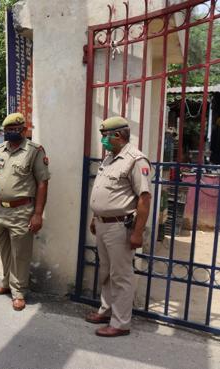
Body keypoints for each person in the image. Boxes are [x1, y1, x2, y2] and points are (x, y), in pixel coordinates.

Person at [85, 116, 151, 337]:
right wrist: (96, 217)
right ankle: (106, 310)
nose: (103, 140)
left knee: (121, 275)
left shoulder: (135, 160)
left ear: (119, 135)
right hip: (104, 225)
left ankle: (121, 323)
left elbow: (144, 198)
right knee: (106, 272)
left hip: (120, 227)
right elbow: (105, 192)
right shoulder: (109, 159)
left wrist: (138, 232)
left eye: (105, 136)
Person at [0, 112, 50, 311]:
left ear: (23, 130)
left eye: (15, 129)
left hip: (22, 210)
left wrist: (38, 214)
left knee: (20, 254)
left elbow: (42, 183)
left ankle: (19, 291)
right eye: (8, 130)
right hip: (0, 210)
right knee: (4, 250)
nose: (11, 133)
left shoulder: (34, 151)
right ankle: (7, 283)